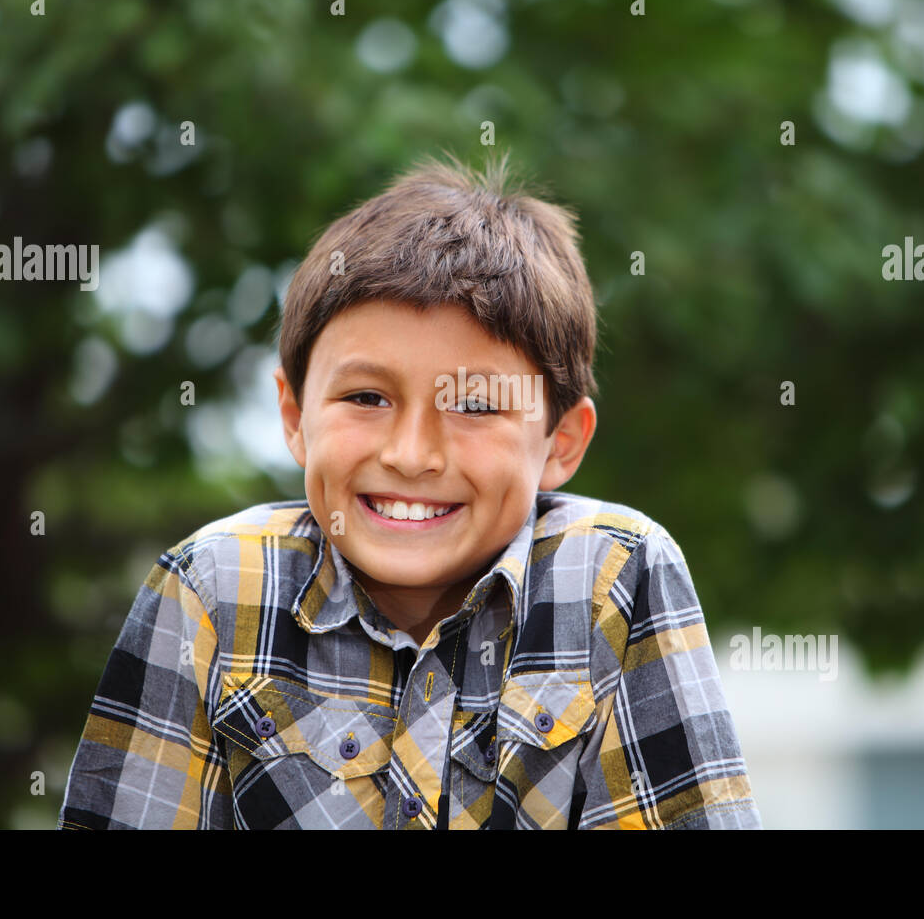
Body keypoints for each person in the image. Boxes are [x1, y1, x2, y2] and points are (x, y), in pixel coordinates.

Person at [58, 151, 762, 829]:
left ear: (562, 443)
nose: (413, 455)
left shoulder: (613, 579)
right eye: (367, 397)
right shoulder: (213, 588)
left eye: (476, 406)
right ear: (295, 418)